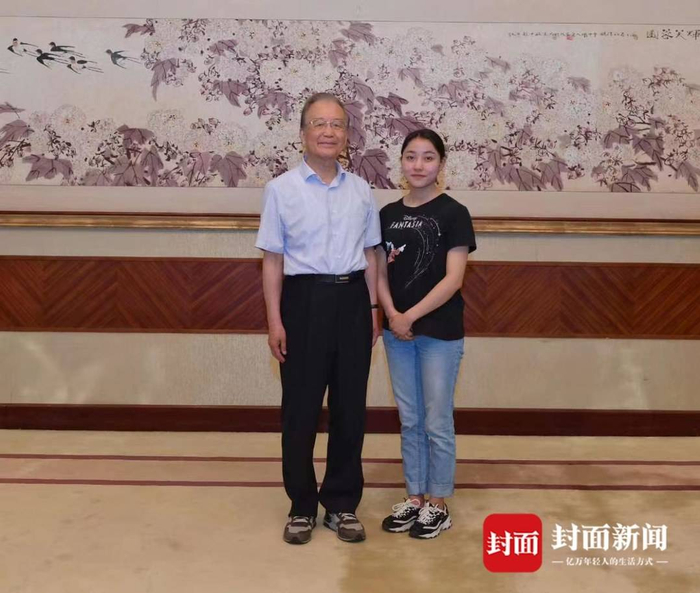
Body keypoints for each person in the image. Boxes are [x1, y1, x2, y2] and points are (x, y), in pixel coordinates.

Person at [255, 92, 381, 545]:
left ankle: (342, 503)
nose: (328, 132)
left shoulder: (362, 190)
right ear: (303, 132)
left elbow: (371, 255)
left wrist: (373, 310)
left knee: (350, 410)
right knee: (301, 410)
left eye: (337, 124)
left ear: (347, 134)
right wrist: (275, 320)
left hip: (352, 302)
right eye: (319, 123)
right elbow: (272, 260)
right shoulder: (281, 189)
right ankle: (302, 506)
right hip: (303, 302)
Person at [377, 129, 476, 539]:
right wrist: (391, 314)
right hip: (396, 332)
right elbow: (378, 272)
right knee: (410, 419)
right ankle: (414, 497)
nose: (419, 165)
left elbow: (453, 279)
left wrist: (410, 316)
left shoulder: (454, 213)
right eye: (411, 156)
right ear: (401, 162)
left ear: (441, 164)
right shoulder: (386, 214)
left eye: (428, 157)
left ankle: (438, 502)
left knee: (437, 419)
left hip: (439, 332)